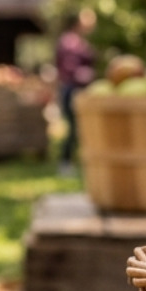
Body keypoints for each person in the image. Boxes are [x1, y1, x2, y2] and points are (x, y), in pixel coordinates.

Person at [54, 9, 97, 173]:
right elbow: (69, 68)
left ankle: (78, 162)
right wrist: (84, 75)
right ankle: (65, 163)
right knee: (72, 127)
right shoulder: (69, 42)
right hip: (72, 89)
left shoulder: (79, 41)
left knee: (80, 128)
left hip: (81, 90)